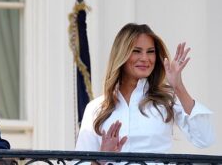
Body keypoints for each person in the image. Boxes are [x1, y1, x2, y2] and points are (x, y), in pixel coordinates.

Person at [75, 23, 214, 156]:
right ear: (121, 55)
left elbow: (204, 138)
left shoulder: (166, 100)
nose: (145, 58)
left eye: (150, 52)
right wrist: (101, 159)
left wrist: (178, 87)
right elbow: (79, 162)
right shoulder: (96, 108)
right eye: (136, 51)